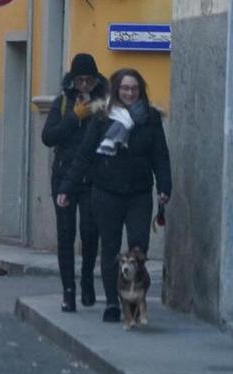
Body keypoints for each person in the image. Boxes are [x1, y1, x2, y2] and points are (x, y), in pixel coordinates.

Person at [57, 68, 171, 323]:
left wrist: (165, 187)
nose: (130, 93)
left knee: (138, 248)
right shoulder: (102, 118)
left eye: (134, 89)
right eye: (125, 88)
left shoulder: (150, 118)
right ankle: (112, 301)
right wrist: (67, 188)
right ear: (117, 91)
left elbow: (160, 156)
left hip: (139, 193)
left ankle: (133, 297)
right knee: (109, 249)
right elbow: (85, 155)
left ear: (140, 91)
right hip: (105, 192)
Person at [41, 53, 106, 313]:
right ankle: (68, 291)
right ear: (73, 80)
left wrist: (95, 112)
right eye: (80, 80)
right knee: (66, 236)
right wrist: (75, 118)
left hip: (92, 178)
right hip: (63, 176)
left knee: (90, 233)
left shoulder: (103, 103)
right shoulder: (63, 103)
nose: (84, 85)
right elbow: (48, 136)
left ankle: (87, 279)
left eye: (88, 80)